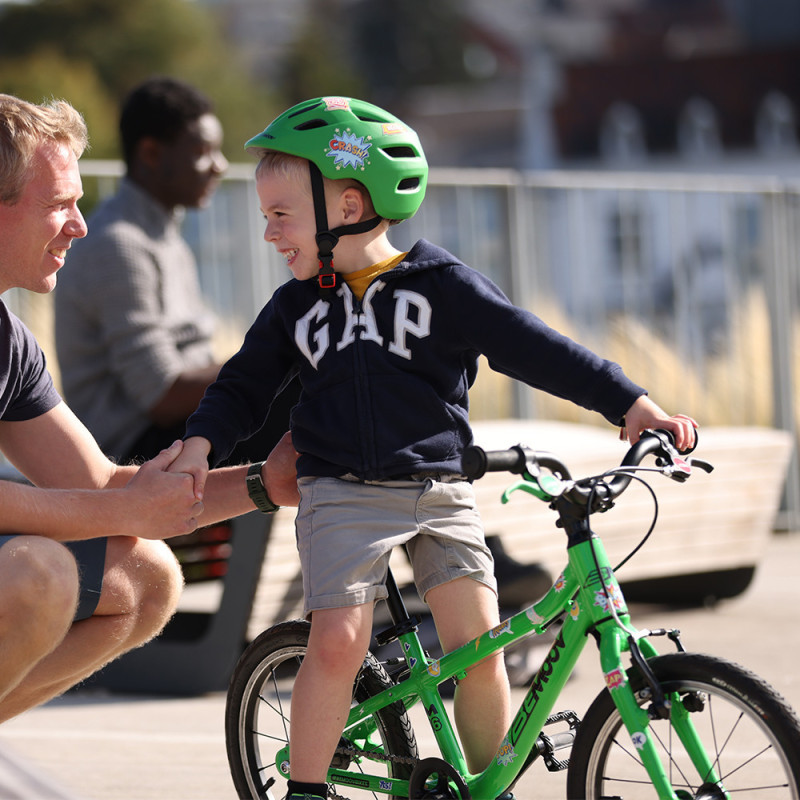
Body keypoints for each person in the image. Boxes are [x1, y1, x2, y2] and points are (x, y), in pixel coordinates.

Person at [170, 96, 697, 800]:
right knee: (337, 641)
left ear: (349, 206)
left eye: (279, 215)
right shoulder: (296, 305)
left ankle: (490, 789)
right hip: (341, 493)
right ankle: (304, 789)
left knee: (479, 648)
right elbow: (242, 384)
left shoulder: (441, 286)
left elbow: (535, 347)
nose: (268, 233)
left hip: (438, 489)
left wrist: (630, 404)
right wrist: (200, 441)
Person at [0, 92, 298, 726]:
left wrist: (266, 484)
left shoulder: (9, 341)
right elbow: (119, 479)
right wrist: (116, 508)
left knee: (146, 577)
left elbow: (99, 482)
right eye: (59, 205)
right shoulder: (122, 245)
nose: (80, 224)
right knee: (41, 573)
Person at [54, 76, 299, 465]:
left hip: (181, 428)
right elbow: (161, 396)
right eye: (203, 151)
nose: (219, 166)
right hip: (132, 451)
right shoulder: (118, 243)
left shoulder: (160, 234)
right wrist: (277, 362)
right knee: (303, 384)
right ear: (151, 153)